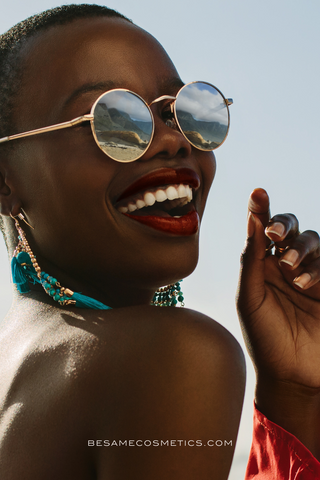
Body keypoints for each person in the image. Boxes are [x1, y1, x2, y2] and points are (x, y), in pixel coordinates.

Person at [0, 4, 319, 480]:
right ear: (6, 183)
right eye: (112, 120)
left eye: (181, 112)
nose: (173, 141)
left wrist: (293, 393)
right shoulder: (175, 356)